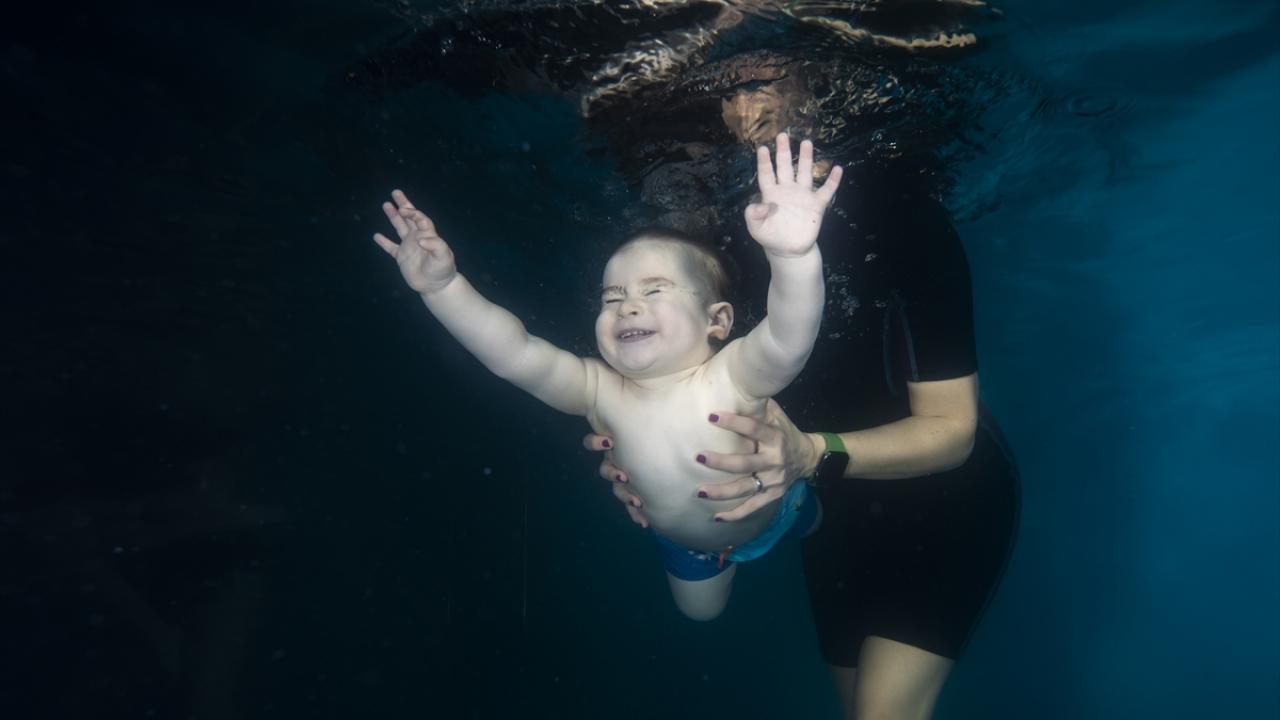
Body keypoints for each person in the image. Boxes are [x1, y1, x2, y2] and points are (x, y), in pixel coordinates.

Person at [585, 77, 1020, 719]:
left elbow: (953, 430)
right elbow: (655, 381)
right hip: (822, 513)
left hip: (945, 499)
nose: (746, 105)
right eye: (730, 87)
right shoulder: (698, 237)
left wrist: (810, 452)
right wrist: (635, 450)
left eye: (768, 80)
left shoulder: (900, 213)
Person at [372, 135, 843, 621]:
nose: (628, 307)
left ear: (717, 321)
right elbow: (514, 353)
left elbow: (788, 337)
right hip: (693, 548)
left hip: (776, 506)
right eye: (612, 297)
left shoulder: (733, 376)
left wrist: (793, 258)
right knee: (700, 614)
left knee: (813, 524)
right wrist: (443, 287)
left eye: (654, 291)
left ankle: (807, 514)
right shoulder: (597, 389)